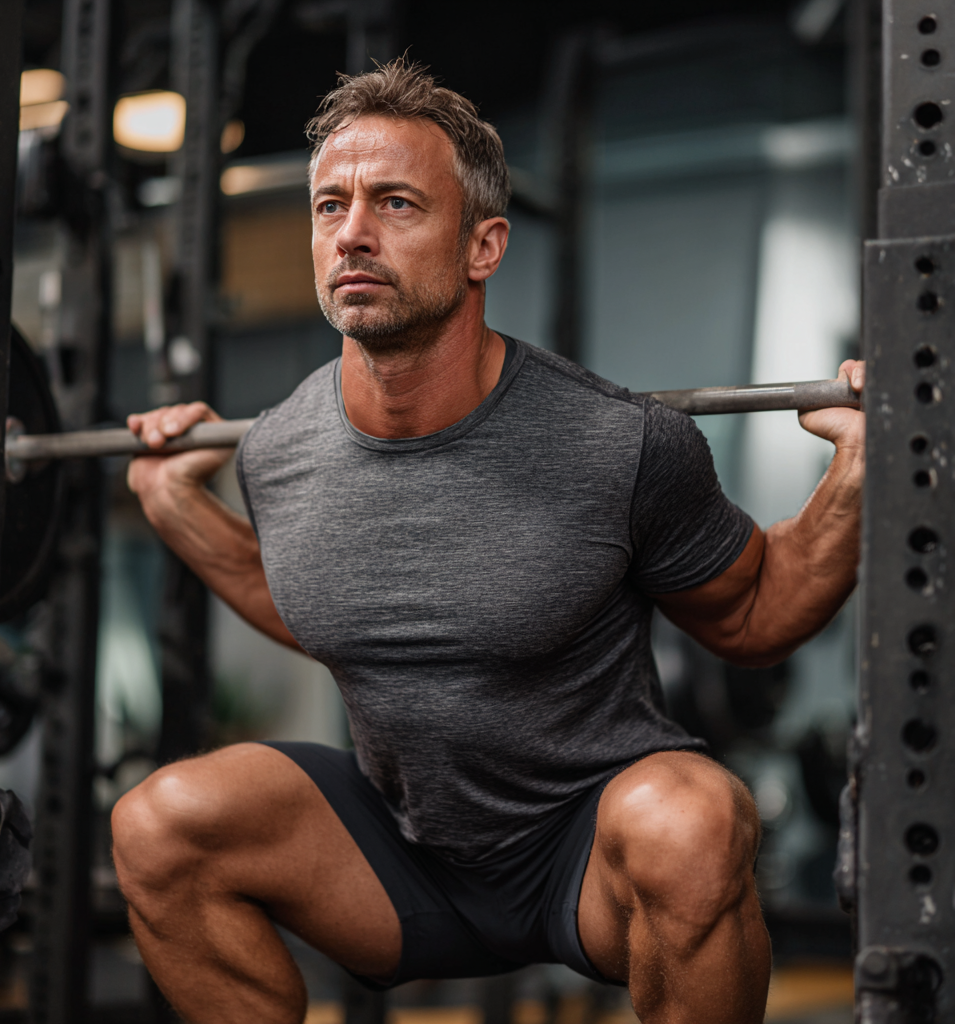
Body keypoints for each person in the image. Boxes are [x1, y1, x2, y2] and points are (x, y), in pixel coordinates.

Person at [111, 60, 865, 1024]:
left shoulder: (617, 443)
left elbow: (758, 613)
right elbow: (319, 606)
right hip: (396, 855)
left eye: (394, 203)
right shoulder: (279, 450)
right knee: (158, 825)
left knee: (694, 818)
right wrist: (180, 509)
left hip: (587, 854)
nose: (351, 233)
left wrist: (856, 466)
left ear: (483, 246)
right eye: (330, 205)